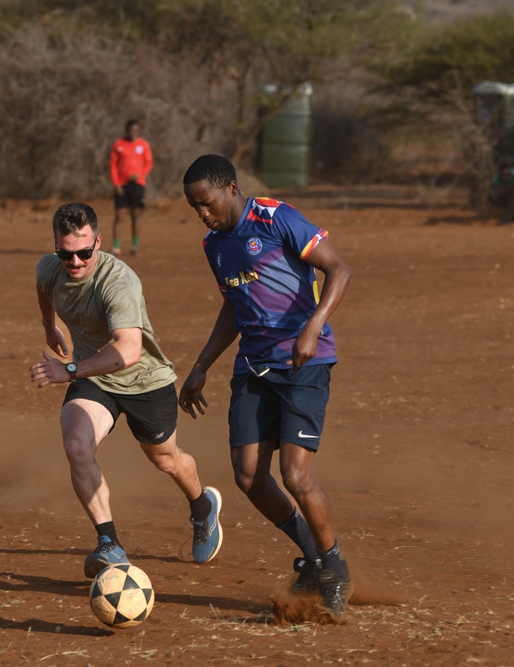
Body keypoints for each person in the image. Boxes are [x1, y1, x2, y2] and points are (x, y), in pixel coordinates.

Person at [178, 154, 353, 616]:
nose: (203, 213)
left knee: (296, 476)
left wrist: (313, 327)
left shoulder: (276, 219)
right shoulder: (214, 245)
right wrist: (201, 366)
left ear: (230, 188)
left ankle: (334, 567)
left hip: (303, 363)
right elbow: (234, 306)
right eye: (195, 207)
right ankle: (311, 558)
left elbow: (339, 270)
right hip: (253, 367)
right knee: (248, 477)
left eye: (207, 202)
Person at [30, 201, 220, 578]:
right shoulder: (50, 268)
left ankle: (202, 507)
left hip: (144, 381)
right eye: (66, 254)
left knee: (164, 459)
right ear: (55, 246)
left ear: (98, 242)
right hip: (93, 380)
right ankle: (109, 543)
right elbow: (43, 285)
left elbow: (129, 351)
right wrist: (49, 324)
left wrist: (69, 370)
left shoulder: (119, 282)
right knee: (76, 446)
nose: (76, 262)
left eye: (84, 253)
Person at [109, 119, 153, 256]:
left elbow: (149, 163)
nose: (133, 133)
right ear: (126, 130)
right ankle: (116, 246)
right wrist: (116, 184)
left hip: (138, 185)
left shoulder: (143, 144)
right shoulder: (118, 144)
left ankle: (135, 246)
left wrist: (139, 175)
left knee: (136, 215)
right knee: (119, 216)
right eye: (131, 130)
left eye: (136, 130)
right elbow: (113, 166)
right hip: (122, 185)